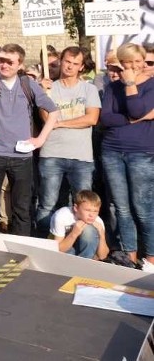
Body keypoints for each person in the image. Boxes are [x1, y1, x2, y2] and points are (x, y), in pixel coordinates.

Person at [0, 44, 59, 237]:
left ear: (20, 64)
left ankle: (21, 246)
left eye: (10, 62)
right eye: (1, 61)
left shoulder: (28, 84)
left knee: (22, 209)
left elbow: (54, 111)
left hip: (21, 156)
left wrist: (40, 139)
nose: (4, 65)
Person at [99, 42, 154, 272]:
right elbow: (106, 118)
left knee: (143, 207)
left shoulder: (151, 85)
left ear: (142, 60)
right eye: (127, 62)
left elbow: (135, 109)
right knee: (121, 208)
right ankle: (129, 255)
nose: (132, 66)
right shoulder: (112, 87)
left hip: (141, 152)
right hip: (112, 151)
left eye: (136, 61)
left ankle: (150, 257)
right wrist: (137, 119)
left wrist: (131, 84)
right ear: (120, 64)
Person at [35, 47, 101, 235]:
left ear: (81, 67)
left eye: (75, 64)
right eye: (67, 62)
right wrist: (42, 94)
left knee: (84, 207)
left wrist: (60, 123)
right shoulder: (50, 88)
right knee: (47, 204)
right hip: (52, 154)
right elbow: (46, 118)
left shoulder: (89, 89)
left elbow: (91, 119)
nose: (70, 67)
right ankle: (43, 242)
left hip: (81, 157)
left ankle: (81, 245)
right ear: (61, 61)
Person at [49, 190, 109, 260]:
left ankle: (85, 264)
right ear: (76, 208)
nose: (92, 215)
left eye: (95, 211)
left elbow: (102, 256)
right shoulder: (61, 216)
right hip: (64, 249)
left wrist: (102, 235)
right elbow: (58, 250)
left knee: (89, 230)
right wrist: (74, 233)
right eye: (87, 210)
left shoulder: (98, 221)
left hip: (84, 254)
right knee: (70, 254)